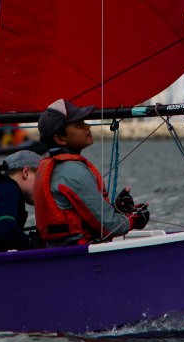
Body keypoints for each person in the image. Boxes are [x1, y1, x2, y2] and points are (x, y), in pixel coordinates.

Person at [33, 98, 150, 246]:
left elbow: (84, 215)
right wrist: (135, 219)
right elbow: (110, 227)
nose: (87, 127)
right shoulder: (72, 171)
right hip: (78, 255)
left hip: (59, 251)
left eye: (84, 122)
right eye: (79, 124)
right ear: (60, 138)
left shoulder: (54, 167)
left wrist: (117, 210)